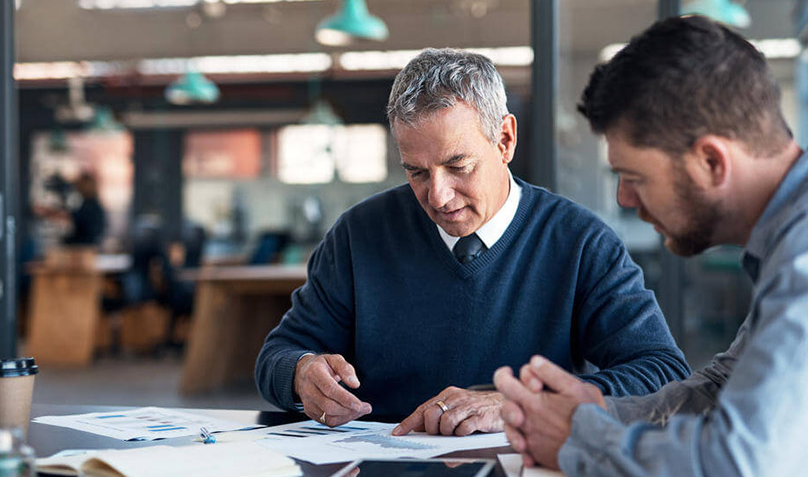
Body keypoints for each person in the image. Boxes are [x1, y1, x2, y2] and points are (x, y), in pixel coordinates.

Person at [494, 15, 808, 477]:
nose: (624, 198)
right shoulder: (805, 226)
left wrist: (582, 439)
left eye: (633, 176)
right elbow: (722, 389)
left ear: (712, 161)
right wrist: (601, 411)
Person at [256, 48, 690, 436]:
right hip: (377, 473)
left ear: (505, 140)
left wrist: (521, 404)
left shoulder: (579, 243)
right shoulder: (358, 234)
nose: (438, 196)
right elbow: (277, 355)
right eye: (417, 173)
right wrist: (300, 373)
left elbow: (662, 373)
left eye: (458, 165)